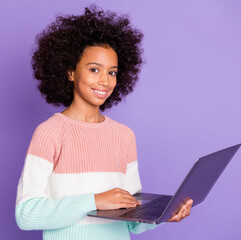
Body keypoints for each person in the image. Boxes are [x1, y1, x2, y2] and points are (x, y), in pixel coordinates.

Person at [15, 5, 193, 240]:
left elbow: (132, 220)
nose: (104, 81)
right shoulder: (49, 133)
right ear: (71, 72)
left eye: (112, 72)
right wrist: (94, 201)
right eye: (94, 69)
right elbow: (26, 214)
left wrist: (163, 216)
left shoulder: (124, 135)